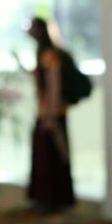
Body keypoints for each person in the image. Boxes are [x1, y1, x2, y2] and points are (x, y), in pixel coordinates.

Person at [26, 16, 76, 210]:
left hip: (50, 114)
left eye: (31, 26)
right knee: (46, 156)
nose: (28, 30)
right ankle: (47, 198)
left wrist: (51, 116)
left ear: (39, 30)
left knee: (50, 157)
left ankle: (53, 199)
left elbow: (54, 87)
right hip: (47, 113)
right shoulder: (43, 53)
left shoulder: (49, 55)